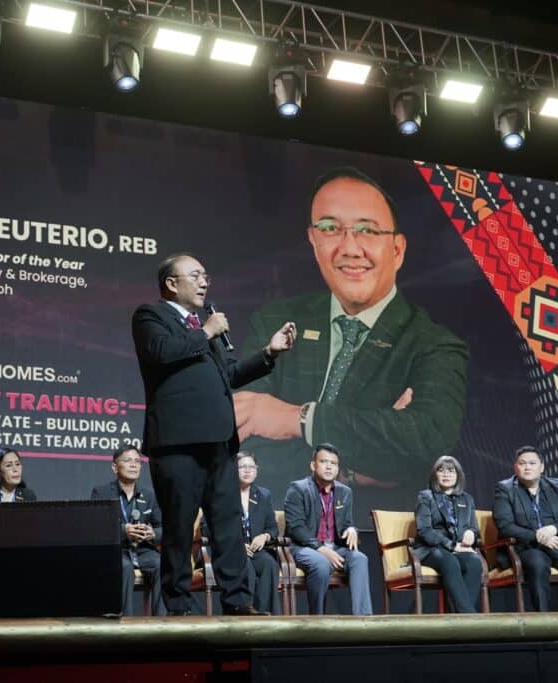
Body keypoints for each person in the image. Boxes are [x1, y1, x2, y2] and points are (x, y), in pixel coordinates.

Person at [233, 166, 469, 500]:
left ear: (398, 250)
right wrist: (365, 453)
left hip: (369, 531)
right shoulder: (275, 321)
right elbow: (243, 438)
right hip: (275, 524)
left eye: (368, 231)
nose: (350, 248)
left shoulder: (435, 346)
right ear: (313, 241)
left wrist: (297, 420)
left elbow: (424, 443)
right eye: (330, 228)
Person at [132, 252, 297, 616]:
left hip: (220, 444)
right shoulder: (151, 316)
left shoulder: (201, 325)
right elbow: (161, 353)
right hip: (177, 444)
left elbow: (231, 374)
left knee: (227, 526)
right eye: (196, 275)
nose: (205, 281)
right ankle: (178, 607)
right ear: (172, 284)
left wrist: (269, 353)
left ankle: (237, 602)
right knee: (178, 527)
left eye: (206, 275)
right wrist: (205, 331)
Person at [492, 445, 558, 611]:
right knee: (538, 564)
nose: (527, 467)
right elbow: (505, 526)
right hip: (526, 547)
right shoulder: (505, 489)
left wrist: (554, 529)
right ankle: (542, 621)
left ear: (542, 467)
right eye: (522, 463)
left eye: (532, 463)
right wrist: (537, 536)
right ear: (515, 467)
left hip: (556, 543)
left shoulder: (556, 486)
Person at [283, 443, 372, 615]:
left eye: (334, 463)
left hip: (335, 547)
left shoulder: (345, 492)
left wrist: (352, 528)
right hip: (303, 547)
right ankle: (318, 618)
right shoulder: (298, 489)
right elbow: (296, 527)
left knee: (360, 559)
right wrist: (321, 549)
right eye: (324, 461)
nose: (329, 466)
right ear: (313, 465)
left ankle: (363, 619)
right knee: (320, 562)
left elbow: (346, 523)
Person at [201, 451, 282, 615]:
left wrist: (264, 536)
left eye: (251, 467)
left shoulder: (263, 495)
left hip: (256, 549)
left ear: (257, 470)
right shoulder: (222, 494)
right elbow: (207, 526)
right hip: (231, 551)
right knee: (245, 567)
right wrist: (235, 543)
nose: (247, 470)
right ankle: (244, 613)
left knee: (269, 564)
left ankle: (268, 614)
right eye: (242, 466)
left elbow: (272, 527)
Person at [90, 445, 166, 616]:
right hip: (118, 550)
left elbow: (162, 527)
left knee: (162, 565)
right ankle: (126, 623)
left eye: (137, 461)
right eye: (128, 461)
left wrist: (153, 533)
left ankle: (161, 623)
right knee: (124, 568)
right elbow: (97, 528)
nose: (134, 465)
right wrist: (125, 531)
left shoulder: (149, 495)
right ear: (115, 467)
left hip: (143, 550)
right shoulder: (101, 492)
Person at [413, 455, 483, 613]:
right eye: (441, 470)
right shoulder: (425, 497)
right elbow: (425, 531)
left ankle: (460, 617)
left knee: (474, 562)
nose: (446, 474)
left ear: (458, 475)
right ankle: (469, 617)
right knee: (449, 561)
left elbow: (473, 528)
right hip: (432, 548)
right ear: (435, 475)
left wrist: (471, 534)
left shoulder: (467, 499)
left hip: (459, 548)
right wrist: (452, 545)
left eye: (451, 471)